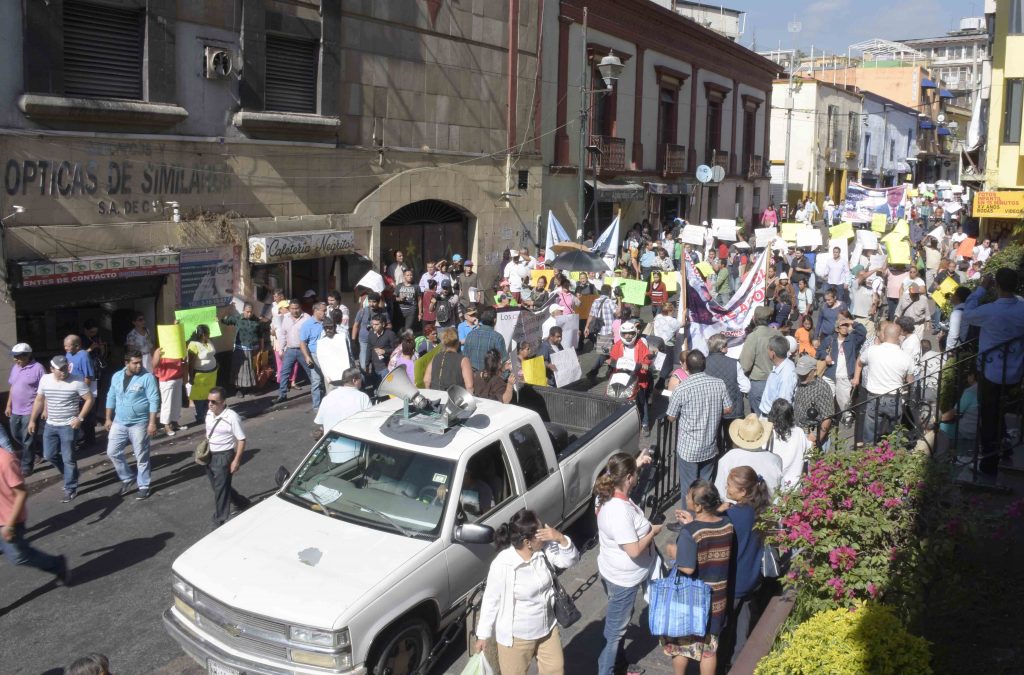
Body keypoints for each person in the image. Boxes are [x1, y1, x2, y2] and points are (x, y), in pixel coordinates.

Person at [474, 509, 579, 675]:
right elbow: (491, 600)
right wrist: (483, 635)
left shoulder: (544, 550)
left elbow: (571, 560)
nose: (546, 532)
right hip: (517, 638)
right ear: (527, 542)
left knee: (555, 669)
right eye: (540, 531)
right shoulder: (503, 564)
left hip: (547, 629)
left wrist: (560, 538)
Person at [594, 452, 660, 675]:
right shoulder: (619, 511)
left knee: (619, 625)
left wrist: (636, 464)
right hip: (623, 579)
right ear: (629, 478)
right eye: (634, 475)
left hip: (611, 570)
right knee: (614, 633)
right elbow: (633, 550)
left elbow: (615, 473)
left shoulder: (605, 494)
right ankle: (607, 670)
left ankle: (620, 665)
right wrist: (653, 531)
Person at [663, 481, 734, 675]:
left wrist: (673, 551)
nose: (686, 498)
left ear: (700, 505)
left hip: (691, 601)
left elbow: (687, 568)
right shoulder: (727, 525)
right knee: (709, 651)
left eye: (689, 496)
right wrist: (693, 520)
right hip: (717, 598)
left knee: (681, 647)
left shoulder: (689, 532)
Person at [960, 269, 1024, 479]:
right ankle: (1004, 447)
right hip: (1015, 371)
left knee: (989, 416)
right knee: (999, 411)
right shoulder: (1021, 307)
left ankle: (989, 463)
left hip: (991, 372)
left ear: (996, 286)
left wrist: (980, 289)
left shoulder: (991, 311)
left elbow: (967, 313)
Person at [718, 467, 771, 667]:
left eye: (730, 486)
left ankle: (723, 666)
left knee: (724, 631)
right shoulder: (759, 510)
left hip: (733, 583)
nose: (726, 488)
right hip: (752, 579)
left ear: (743, 492)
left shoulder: (732, 517)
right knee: (742, 631)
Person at [0, 443, 70, 584]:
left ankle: (57, 564)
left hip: (9, 521)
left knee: (19, 557)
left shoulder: (6, 460)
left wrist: (10, 525)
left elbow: (21, 494)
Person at [667, 350, 733, 495]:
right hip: (709, 446)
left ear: (687, 367)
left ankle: (689, 516)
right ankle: (705, 514)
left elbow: (671, 417)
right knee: (705, 487)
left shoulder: (681, 388)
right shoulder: (718, 384)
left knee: (689, 488)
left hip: (688, 449)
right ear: (704, 365)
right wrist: (714, 412)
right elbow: (728, 408)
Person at [29, 355, 93, 503]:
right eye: (60, 369)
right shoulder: (45, 379)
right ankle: (71, 474)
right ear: (51, 369)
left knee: (68, 458)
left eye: (66, 368)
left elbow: (89, 399)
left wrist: (80, 418)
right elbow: (39, 399)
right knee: (49, 455)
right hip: (50, 425)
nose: (64, 372)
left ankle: (70, 487)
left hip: (68, 426)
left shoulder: (77, 381)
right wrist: (32, 420)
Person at [104, 350, 160, 500]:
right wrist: (108, 418)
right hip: (119, 421)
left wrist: (152, 423)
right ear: (126, 363)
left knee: (142, 456)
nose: (138, 365)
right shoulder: (117, 376)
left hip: (139, 423)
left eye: (140, 362)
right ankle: (127, 477)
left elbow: (154, 400)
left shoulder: (147, 377)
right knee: (112, 452)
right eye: (135, 363)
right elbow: (111, 396)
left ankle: (144, 485)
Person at [852, 323, 914, 444]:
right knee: (894, 435)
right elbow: (910, 380)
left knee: (870, 435)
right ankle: (890, 457)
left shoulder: (872, 351)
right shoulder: (906, 357)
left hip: (874, 397)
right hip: (894, 398)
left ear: (884, 335)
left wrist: (856, 378)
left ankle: (869, 457)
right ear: (898, 337)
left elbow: (859, 362)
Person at [204, 386, 250, 527]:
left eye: (214, 401)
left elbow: (241, 440)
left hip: (224, 456)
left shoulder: (232, 417)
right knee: (219, 486)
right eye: (209, 401)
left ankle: (219, 519)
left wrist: (236, 460)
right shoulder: (209, 413)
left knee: (220, 488)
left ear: (223, 402)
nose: (210, 404)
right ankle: (241, 502)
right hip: (209, 455)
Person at [714, 414, 784, 498]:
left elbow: (719, 491)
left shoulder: (727, 458)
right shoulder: (775, 460)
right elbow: (779, 490)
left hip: (733, 508)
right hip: (767, 508)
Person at [704, 333, 750, 449]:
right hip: (732, 409)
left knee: (714, 441)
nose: (727, 348)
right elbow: (746, 387)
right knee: (732, 441)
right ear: (720, 348)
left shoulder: (703, 363)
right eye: (725, 345)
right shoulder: (734, 363)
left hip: (711, 408)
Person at [608, 320, 653, 434]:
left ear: (635, 333)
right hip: (621, 377)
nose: (628, 336)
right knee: (612, 396)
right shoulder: (618, 344)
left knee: (642, 401)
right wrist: (610, 361)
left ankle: (645, 422)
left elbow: (647, 357)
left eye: (631, 333)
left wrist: (645, 364)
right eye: (625, 334)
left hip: (638, 377)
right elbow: (612, 357)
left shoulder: (640, 344)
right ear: (621, 334)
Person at [7, 344, 44, 476]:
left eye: (18, 357)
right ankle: (39, 448)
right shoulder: (15, 368)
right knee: (16, 434)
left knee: (27, 438)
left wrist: (44, 409)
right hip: (16, 409)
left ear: (27, 355)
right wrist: (8, 405)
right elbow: (12, 387)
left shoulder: (38, 368)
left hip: (30, 410)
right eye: (14, 357)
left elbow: (44, 390)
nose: (15, 359)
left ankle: (27, 466)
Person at [816, 315, 866, 411]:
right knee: (826, 402)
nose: (845, 327)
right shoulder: (830, 339)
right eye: (843, 325)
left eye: (846, 325)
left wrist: (851, 321)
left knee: (844, 405)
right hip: (829, 376)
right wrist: (825, 356)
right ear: (837, 329)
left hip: (844, 377)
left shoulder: (852, 339)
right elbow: (819, 351)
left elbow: (863, 332)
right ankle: (827, 421)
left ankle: (845, 422)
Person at [739, 307, 779, 415]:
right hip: (778, 380)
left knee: (760, 421)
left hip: (759, 382)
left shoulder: (753, 337)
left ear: (754, 319)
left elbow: (745, 365)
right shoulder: (778, 334)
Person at [221, 303, 266, 397]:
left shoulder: (257, 321)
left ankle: (250, 388)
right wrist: (227, 310)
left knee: (251, 370)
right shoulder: (237, 318)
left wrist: (261, 348)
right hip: (240, 349)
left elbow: (261, 335)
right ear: (243, 310)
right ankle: (240, 390)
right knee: (240, 370)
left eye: (251, 312)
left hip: (254, 350)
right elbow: (224, 320)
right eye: (247, 312)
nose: (249, 314)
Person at [765, 399, 809, 490]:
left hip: (773, 487)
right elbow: (807, 457)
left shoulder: (768, 433)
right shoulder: (799, 432)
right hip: (794, 487)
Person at [274, 299, 311, 404]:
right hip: (290, 349)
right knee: (284, 372)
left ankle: (318, 390)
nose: (295, 311)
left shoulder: (307, 318)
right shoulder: (286, 318)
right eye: (292, 309)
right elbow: (283, 334)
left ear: (300, 308)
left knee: (310, 371)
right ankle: (282, 395)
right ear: (289, 309)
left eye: (297, 308)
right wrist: (281, 349)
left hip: (303, 350)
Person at [793, 354, 836, 445]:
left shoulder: (822, 388)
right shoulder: (801, 382)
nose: (801, 376)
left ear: (814, 371)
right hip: (798, 432)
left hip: (811, 435)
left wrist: (815, 441)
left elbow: (827, 418)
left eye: (804, 374)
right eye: (799, 373)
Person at [64, 334, 96, 447]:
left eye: (68, 346)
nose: (66, 349)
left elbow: (88, 377)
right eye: (65, 346)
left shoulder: (84, 356)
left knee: (85, 417)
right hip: (71, 390)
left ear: (77, 346)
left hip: (81, 391)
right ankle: (79, 438)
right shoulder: (68, 354)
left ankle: (89, 440)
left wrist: (83, 393)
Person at [314, 367, 371, 432]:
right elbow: (369, 421)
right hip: (353, 438)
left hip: (330, 438)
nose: (362, 380)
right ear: (354, 380)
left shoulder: (328, 396)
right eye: (360, 378)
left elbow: (320, 421)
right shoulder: (363, 397)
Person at [424, 328, 474, 392]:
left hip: (436, 397)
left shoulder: (436, 357)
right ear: (457, 342)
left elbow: (426, 380)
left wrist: (429, 394)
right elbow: (469, 386)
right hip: (455, 398)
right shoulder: (464, 360)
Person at [585, 285, 619, 378]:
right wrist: (620, 300)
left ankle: (610, 371)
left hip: (599, 331)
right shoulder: (609, 302)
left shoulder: (595, 301)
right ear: (609, 292)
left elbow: (591, 315)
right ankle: (593, 371)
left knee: (608, 352)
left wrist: (587, 327)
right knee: (604, 354)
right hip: (609, 331)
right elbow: (618, 313)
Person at [298, 302, 327, 410]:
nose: (325, 313)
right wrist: (307, 356)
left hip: (327, 355)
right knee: (316, 381)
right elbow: (302, 343)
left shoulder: (327, 322)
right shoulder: (307, 325)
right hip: (315, 355)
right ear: (316, 311)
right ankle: (316, 406)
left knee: (328, 380)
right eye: (323, 310)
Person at [759, 335, 797, 416]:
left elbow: (783, 404)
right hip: (768, 415)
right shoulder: (781, 367)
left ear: (773, 354)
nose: (767, 352)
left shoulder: (786, 374)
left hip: (772, 419)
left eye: (768, 349)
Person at [187, 324, 218, 424]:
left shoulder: (208, 341)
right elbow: (191, 363)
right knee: (200, 397)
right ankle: (200, 416)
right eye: (207, 334)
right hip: (200, 376)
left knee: (208, 396)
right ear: (202, 334)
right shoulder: (193, 344)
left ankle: (208, 414)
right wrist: (191, 376)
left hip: (211, 374)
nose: (209, 335)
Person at [464, 306, 508, 372]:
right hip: (490, 378)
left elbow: (465, 358)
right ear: (495, 320)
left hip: (473, 377)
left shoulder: (470, 335)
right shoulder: (497, 337)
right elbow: (504, 361)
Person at [316, 314, 352, 393]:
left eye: (330, 327)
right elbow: (322, 359)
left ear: (335, 327)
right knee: (331, 393)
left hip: (343, 372)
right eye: (326, 328)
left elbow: (348, 353)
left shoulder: (342, 338)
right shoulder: (322, 340)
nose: (328, 330)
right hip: (330, 373)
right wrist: (326, 374)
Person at [366, 314, 399, 383]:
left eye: (376, 324)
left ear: (383, 324)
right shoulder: (371, 334)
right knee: (376, 388)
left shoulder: (390, 334)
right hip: (374, 367)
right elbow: (369, 349)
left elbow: (397, 350)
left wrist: (385, 351)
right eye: (373, 324)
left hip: (386, 367)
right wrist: (367, 364)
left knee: (386, 387)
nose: (374, 326)